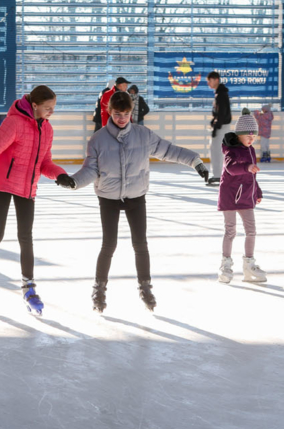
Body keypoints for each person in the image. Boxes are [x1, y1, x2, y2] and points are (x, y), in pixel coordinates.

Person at [70, 91, 209, 313]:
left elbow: (168, 150)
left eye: (126, 114)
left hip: (135, 195)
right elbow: (90, 169)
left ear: (131, 112)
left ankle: (145, 287)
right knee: (109, 244)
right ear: (109, 111)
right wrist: (74, 182)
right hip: (108, 197)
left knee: (140, 244)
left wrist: (194, 161)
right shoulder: (98, 139)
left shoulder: (143, 135)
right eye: (117, 114)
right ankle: (99, 289)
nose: (122, 118)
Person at [0, 85, 71, 316]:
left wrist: (60, 175)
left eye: (53, 107)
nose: (52, 111)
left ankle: (29, 287)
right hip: (2, 184)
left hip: (26, 187)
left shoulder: (47, 129)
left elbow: (45, 163)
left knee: (26, 237)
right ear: (34, 105)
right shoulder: (13, 123)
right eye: (48, 107)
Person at [217, 109, 267, 284]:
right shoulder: (231, 151)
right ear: (239, 135)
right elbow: (231, 168)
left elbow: (252, 175)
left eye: (254, 136)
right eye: (248, 136)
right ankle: (225, 264)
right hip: (230, 195)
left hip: (246, 196)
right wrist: (247, 167)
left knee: (251, 231)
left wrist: (257, 191)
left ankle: (249, 265)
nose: (251, 139)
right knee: (230, 231)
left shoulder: (251, 150)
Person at [207, 71, 232, 185]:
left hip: (222, 127)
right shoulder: (220, 93)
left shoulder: (221, 94)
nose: (209, 83)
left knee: (216, 150)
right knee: (216, 150)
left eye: (210, 81)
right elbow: (219, 113)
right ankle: (219, 174)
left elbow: (222, 113)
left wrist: (216, 127)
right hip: (222, 125)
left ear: (216, 80)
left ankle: (218, 175)